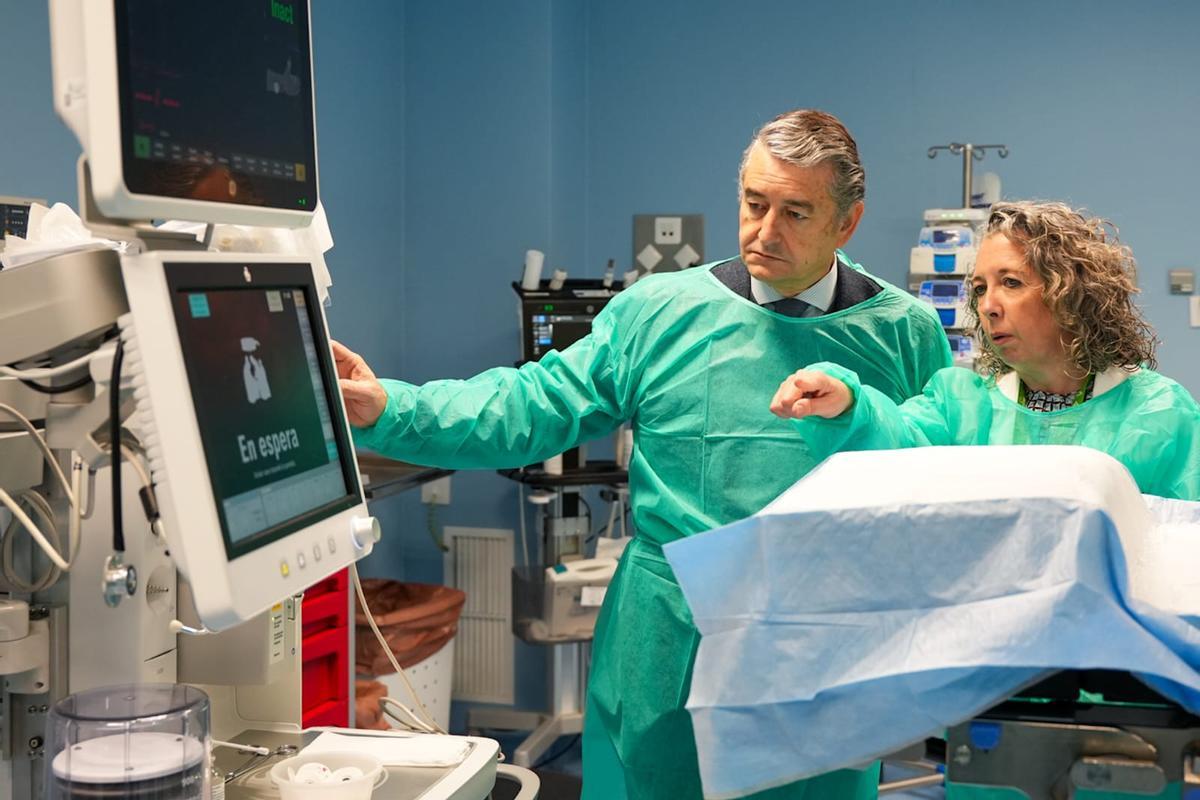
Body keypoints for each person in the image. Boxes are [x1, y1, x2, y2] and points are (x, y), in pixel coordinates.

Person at [335, 109, 952, 799]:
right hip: (670, 643)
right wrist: (392, 408)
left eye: (796, 212)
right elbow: (533, 404)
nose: (764, 231)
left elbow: (935, 480)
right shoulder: (661, 312)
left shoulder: (903, 332)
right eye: (753, 204)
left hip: (821, 652)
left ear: (847, 222)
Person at [770, 200, 1200, 501]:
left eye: (1010, 283)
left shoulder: (1158, 415)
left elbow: (1181, 549)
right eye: (979, 289)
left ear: (1070, 294)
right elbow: (897, 440)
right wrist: (848, 402)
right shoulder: (964, 408)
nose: (988, 306)